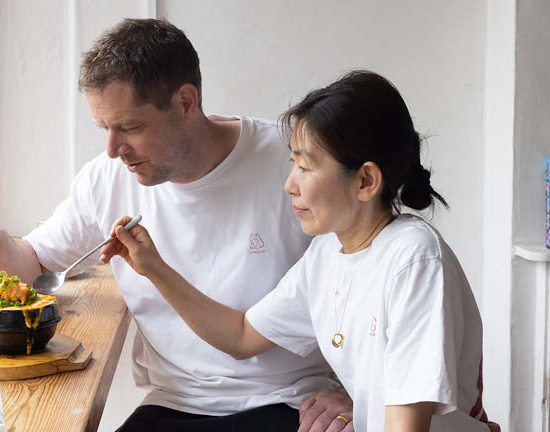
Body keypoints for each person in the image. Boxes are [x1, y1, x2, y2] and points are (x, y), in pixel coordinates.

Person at [0, 18, 352, 432]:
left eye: (129, 127)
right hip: (176, 404)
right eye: (104, 128)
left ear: (185, 103)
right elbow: (37, 265)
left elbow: (373, 268)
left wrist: (356, 392)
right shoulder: (106, 178)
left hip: (293, 402)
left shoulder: (291, 162)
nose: (113, 149)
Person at [103, 71, 501, 432]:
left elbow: (406, 426)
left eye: (306, 168)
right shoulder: (328, 253)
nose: (289, 185)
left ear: (365, 180)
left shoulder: (414, 260)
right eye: (292, 163)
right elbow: (241, 337)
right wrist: (153, 268)